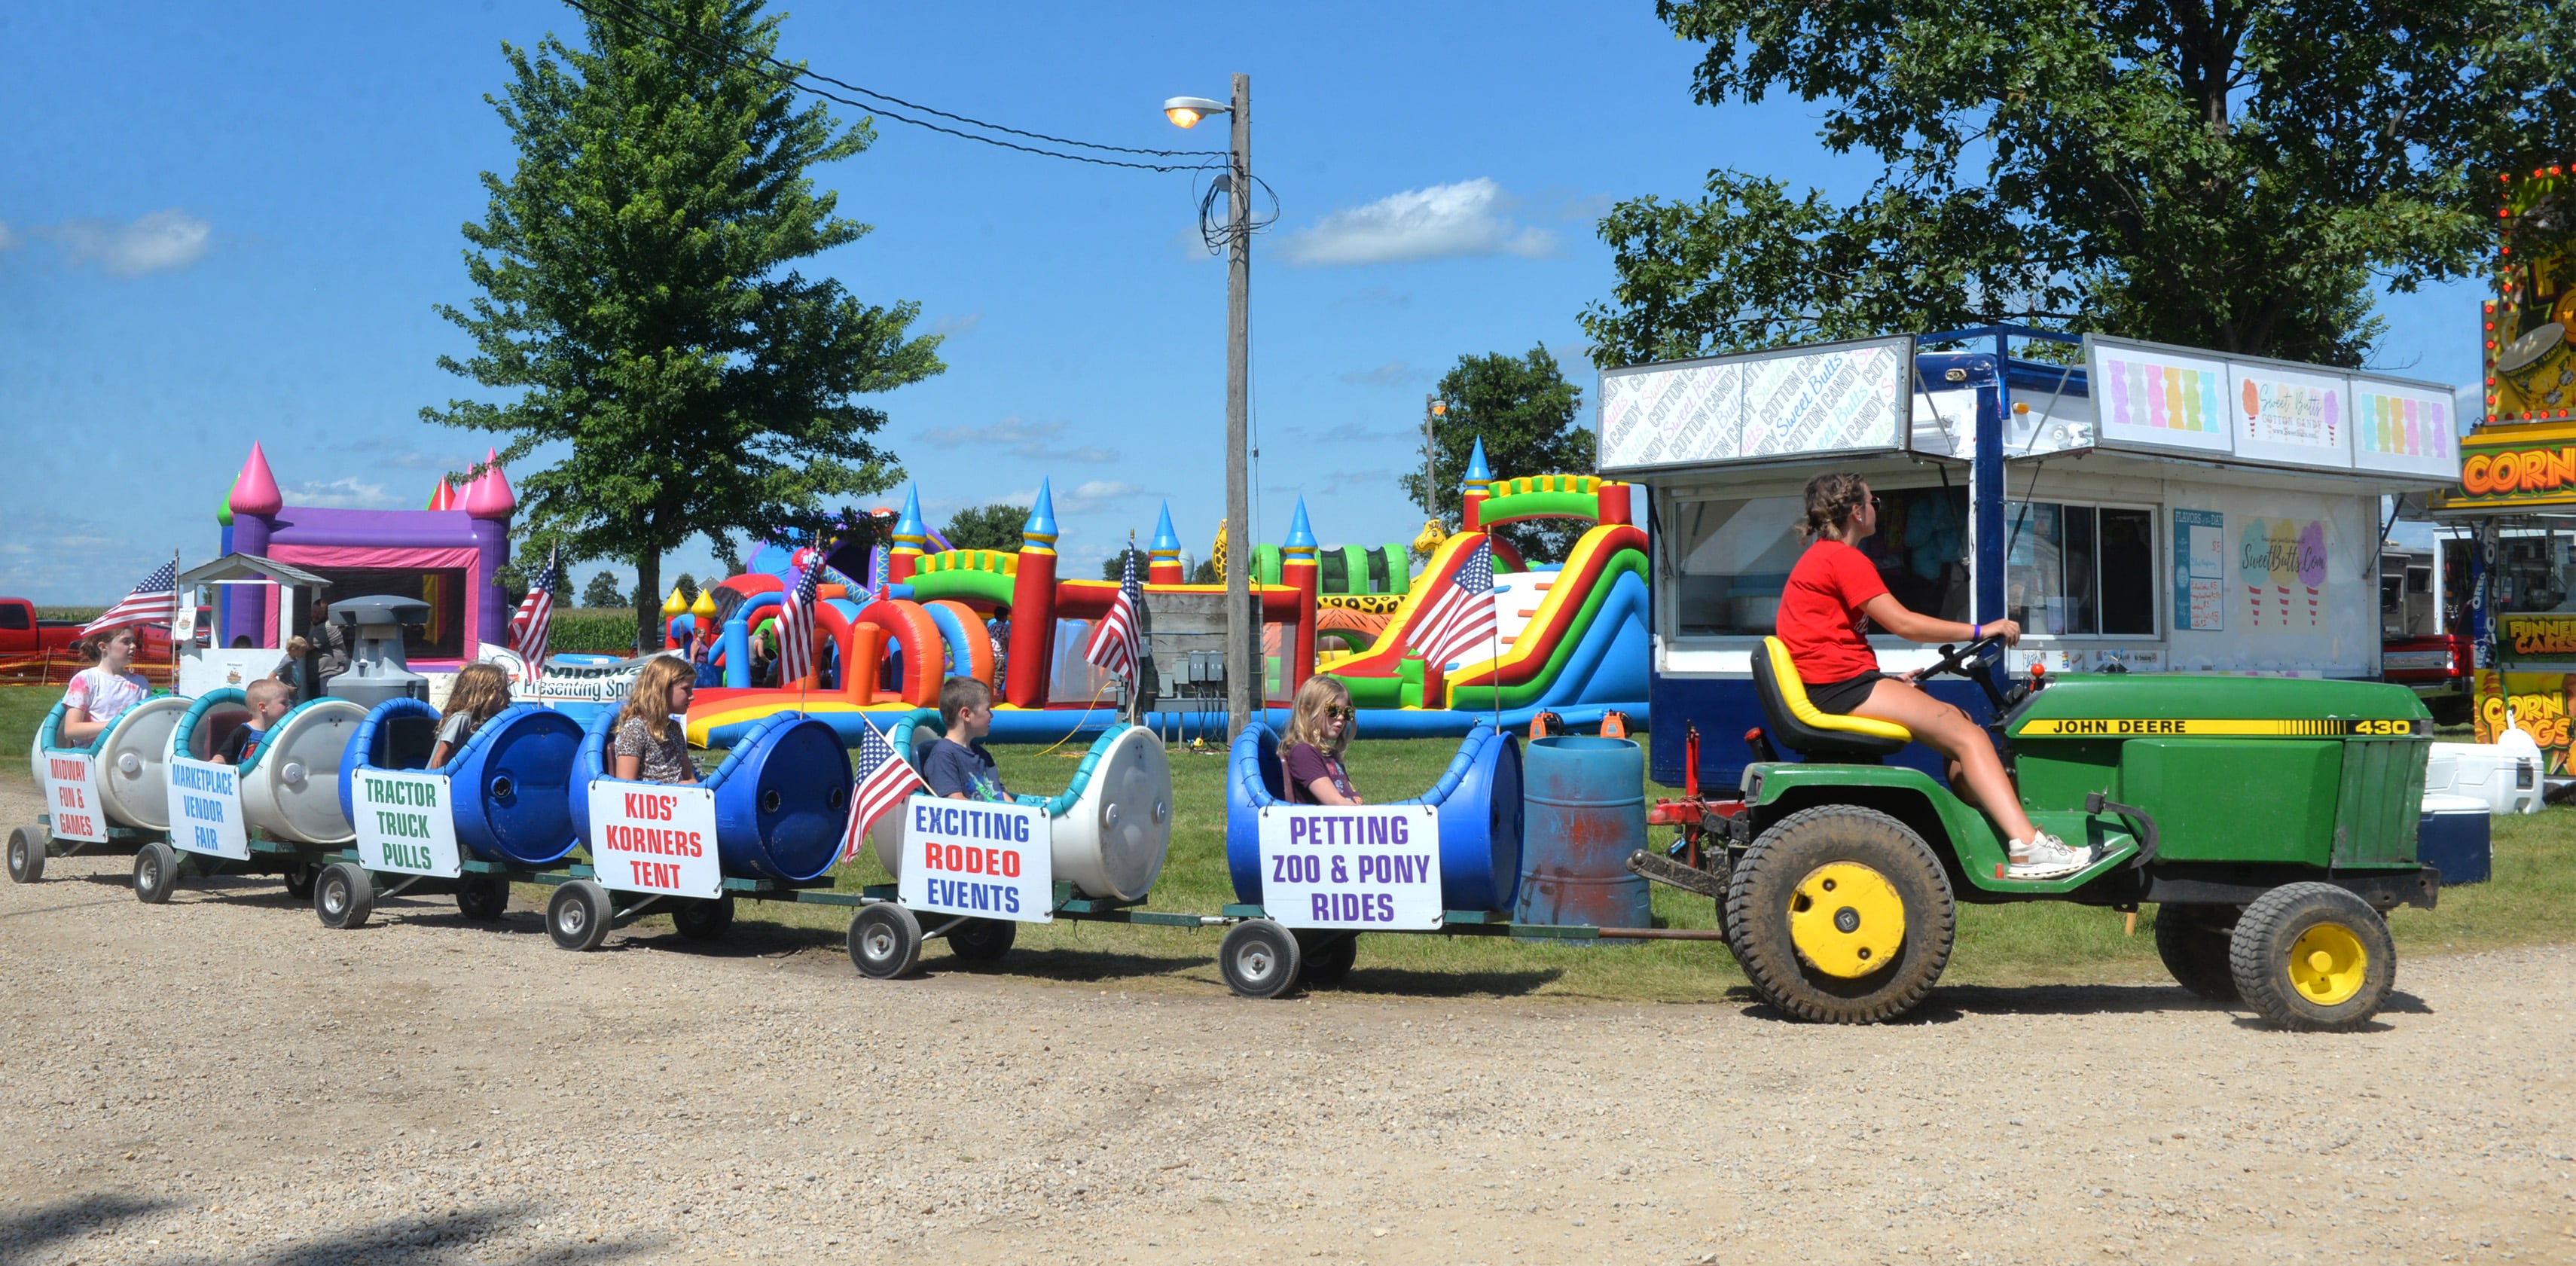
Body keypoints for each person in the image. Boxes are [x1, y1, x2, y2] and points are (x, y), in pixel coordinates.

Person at [1776, 472, 2091, 880]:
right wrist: (1982, 630)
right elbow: (1904, 624)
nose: (1877, 510)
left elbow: (1828, 641)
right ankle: (2027, 845)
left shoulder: (1823, 557)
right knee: (1971, 738)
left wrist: (1888, 679)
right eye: (1874, 503)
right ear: (1857, 512)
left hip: (1841, 682)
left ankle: (1993, 829)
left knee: (1959, 723)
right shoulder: (1843, 558)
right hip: (1842, 688)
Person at [610, 655, 699, 784]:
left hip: (679, 799)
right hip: (651, 801)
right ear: (661, 689)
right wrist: (676, 790)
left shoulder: (674, 728)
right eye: (686, 689)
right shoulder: (634, 731)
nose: (692, 697)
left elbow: (690, 778)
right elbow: (626, 788)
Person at [922, 676, 1010, 801]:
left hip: (993, 817)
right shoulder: (943, 756)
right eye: (988, 709)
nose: (991, 715)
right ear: (966, 715)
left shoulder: (983, 755)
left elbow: (1000, 794)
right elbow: (956, 802)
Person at [60, 627, 151, 746]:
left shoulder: (141, 684)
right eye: (126, 642)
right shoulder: (85, 680)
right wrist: (118, 725)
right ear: (103, 647)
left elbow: (148, 725)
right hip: (93, 756)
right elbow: (71, 730)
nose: (133, 646)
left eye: (133, 641)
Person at [1280, 675, 1363, 807]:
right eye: (1333, 710)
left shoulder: (1329, 754)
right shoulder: (1303, 753)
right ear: (1306, 711)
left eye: (1346, 712)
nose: (1341, 717)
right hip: (1326, 825)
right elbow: (1335, 802)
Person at [428, 661, 513, 768]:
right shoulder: (462, 719)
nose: (510, 695)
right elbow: (439, 759)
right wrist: (438, 782)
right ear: (485, 694)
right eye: (503, 691)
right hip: (445, 781)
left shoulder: (491, 722)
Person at [215, 679, 294, 766]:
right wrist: (218, 761)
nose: (288, 707)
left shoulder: (278, 733)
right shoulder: (243, 732)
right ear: (263, 707)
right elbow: (223, 755)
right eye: (284, 703)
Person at [308, 598, 351, 686]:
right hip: (321, 675)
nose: (315, 615)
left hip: (329, 675)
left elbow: (306, 646)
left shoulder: (326, 627)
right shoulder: (316, 626)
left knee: (326, 700)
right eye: (314, 612)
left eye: (320, 613)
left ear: (327, 615)